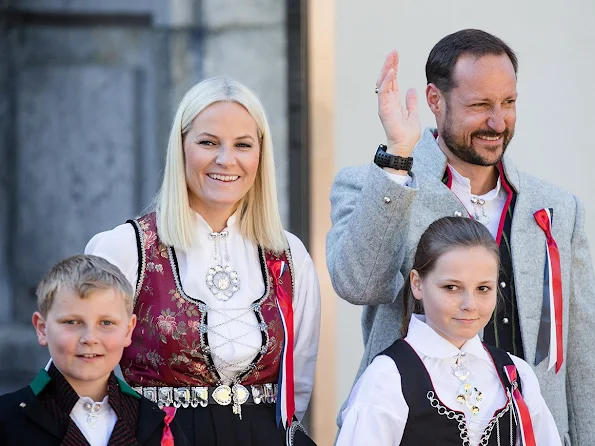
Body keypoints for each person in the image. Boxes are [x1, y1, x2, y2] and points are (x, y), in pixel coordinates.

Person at [327, 29, 595, 444]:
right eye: (479, 105)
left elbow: (580, 354)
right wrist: (398, 156)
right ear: (435, 100)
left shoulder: (558, 207)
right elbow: (357, 283)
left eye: (508, 103)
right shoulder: (380, 184)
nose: (497, 121)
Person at [85, 77, 320, 445]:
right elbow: (82, 369)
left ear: (261, 153)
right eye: (208, 142)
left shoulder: (288, 256)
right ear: (181, 147)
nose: (226, 160)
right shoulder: (126, 248)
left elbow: (298, 385)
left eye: (243, 144)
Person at [336, 217, 561, 445]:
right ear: (417, 284)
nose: (469, 304)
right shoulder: (388, 378)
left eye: (483, 288)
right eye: (451, 287)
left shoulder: (516, 374)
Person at [0, 254, 188, 445]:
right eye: (72, 322)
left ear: (128, 330)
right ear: (42, 329)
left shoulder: (155, 423)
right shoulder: (7, 420)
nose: (90, 338)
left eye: (106, 323)